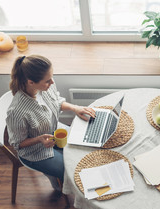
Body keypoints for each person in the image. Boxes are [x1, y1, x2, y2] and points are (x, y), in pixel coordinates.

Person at [6, 55, 95, 189]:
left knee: (85, 150)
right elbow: (17, 143)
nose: (52, 82)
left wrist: (74, 108)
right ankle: (58, 184)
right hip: (35, 151)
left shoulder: (46, 87)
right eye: (47, 80)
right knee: (73, 172)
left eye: (51, 77)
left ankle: (56, 176)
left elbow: (57, 102)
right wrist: (40, 139)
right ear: (31, 82)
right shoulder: (17, 111)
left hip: (54, 131)